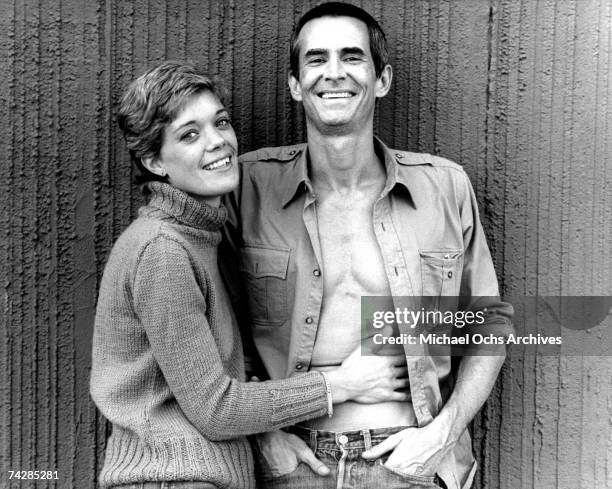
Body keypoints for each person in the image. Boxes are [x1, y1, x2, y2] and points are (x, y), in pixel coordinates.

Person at [222, 3, 514, 489]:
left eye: (352, 57)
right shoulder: (249, 187)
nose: (333, 73)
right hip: (289, 463)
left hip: (410, 459)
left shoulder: (443, 188)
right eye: (315, 60)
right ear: (295, 84)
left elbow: (490, 324)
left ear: (382, 79)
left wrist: (443, 434)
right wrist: (263, 437)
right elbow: (212, 324)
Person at [90, 61, 410, 489]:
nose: (218, 142)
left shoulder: (199, 236)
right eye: (190, 134)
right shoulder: (162, 251)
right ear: (154, 161)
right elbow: (215, 409)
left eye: (220, 122)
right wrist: (340, 384)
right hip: (171, 479)